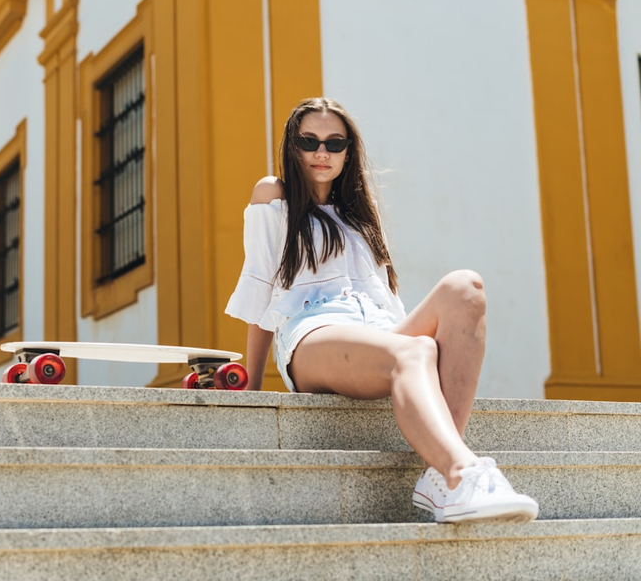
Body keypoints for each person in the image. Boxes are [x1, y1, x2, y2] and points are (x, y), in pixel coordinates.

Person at [225, 97, 539, 524]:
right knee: (417, 352)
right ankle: (462, 472)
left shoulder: (359, 217)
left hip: (378, 329)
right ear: (292, 146)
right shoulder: (274, 196)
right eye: (309, 141)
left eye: (335, 143)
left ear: (348, 152)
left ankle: (437, 472)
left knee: (466, 287)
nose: (322, 152)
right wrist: (254, 389)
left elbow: (385, 300)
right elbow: (259, 288)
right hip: (313, 332)